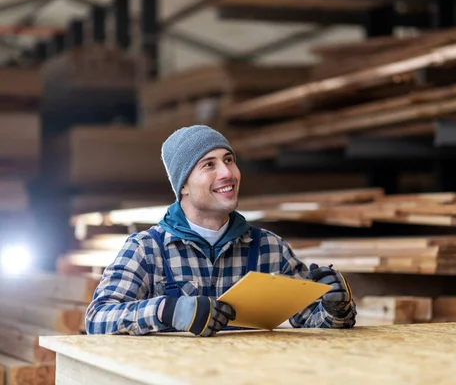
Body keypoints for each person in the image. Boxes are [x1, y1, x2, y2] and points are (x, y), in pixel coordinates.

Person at [85, 125, 356, 336]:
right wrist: (167, 310)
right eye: (209, 165)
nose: (227, 173)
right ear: (183, 187)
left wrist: (335, 307)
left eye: (229, 160)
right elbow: (97, 318)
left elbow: (314, 323)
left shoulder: (269, 249)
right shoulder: (147, 249)